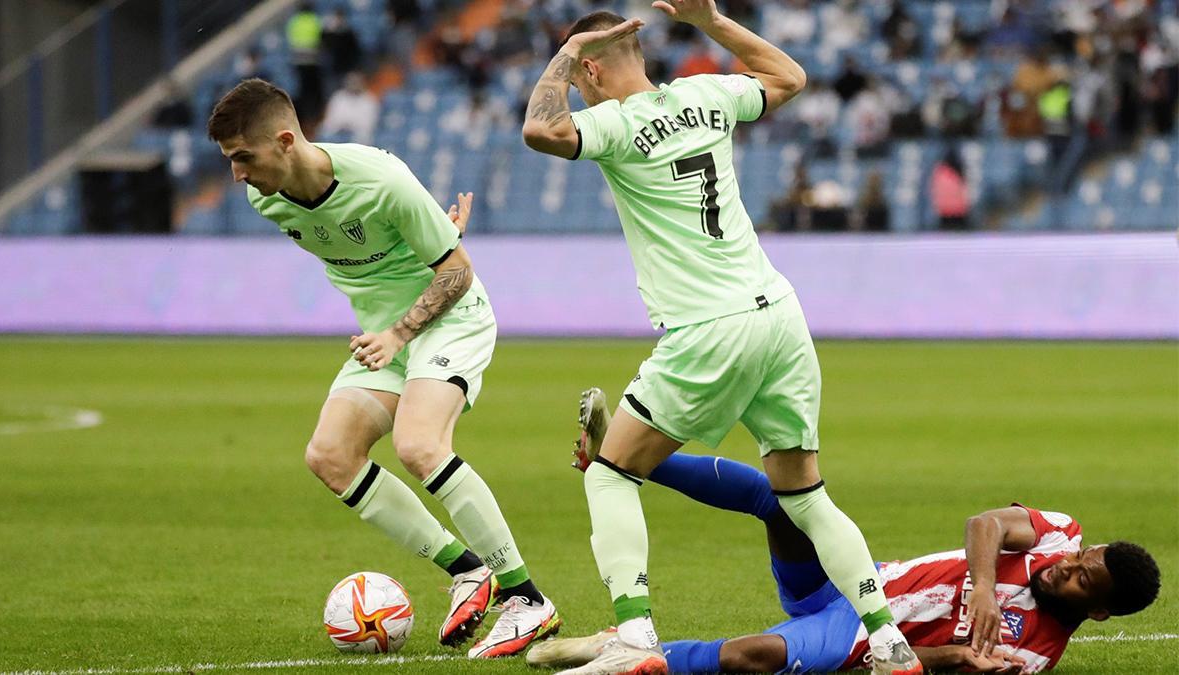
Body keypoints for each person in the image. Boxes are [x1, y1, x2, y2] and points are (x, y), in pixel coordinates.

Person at [521, 2, 920, 673]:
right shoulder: (709, 95)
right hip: (779, 315)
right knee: (804, 494)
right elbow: (789, 77)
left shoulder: (614, 124)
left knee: (611, 471)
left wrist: (566, 53)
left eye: (581, 73)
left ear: (589, 67)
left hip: (710, 326)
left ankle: (635, 639)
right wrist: (710, 19)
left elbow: (539, 126)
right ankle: (889, 640)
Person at [205, 78, 559, 658]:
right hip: (384, 337)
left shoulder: (381, 179)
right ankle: (468, 571)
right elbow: (375, 254)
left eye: (244, 157)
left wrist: (411, 307)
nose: (237, 176)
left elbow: (457, 272)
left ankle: (527, 600)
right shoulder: (266, 200)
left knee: (420, 444)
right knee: (330, 455)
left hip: (450, 320)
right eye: (229, 161)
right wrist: (429, 244)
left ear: (287, 140)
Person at [531, 416, 1161, 673]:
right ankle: (618, 456)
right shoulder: (1059, 533)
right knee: (776, 498)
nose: (1066, 568)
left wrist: (956, 659)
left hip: (868, 635)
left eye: (1082, 580)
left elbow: (936, 668)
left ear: (1097, 610)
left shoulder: (1034, 656)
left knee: (752, 658)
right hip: (856, 580)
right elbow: (985, 525)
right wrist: (990, 591)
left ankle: (628, 654)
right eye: (1084, 558)